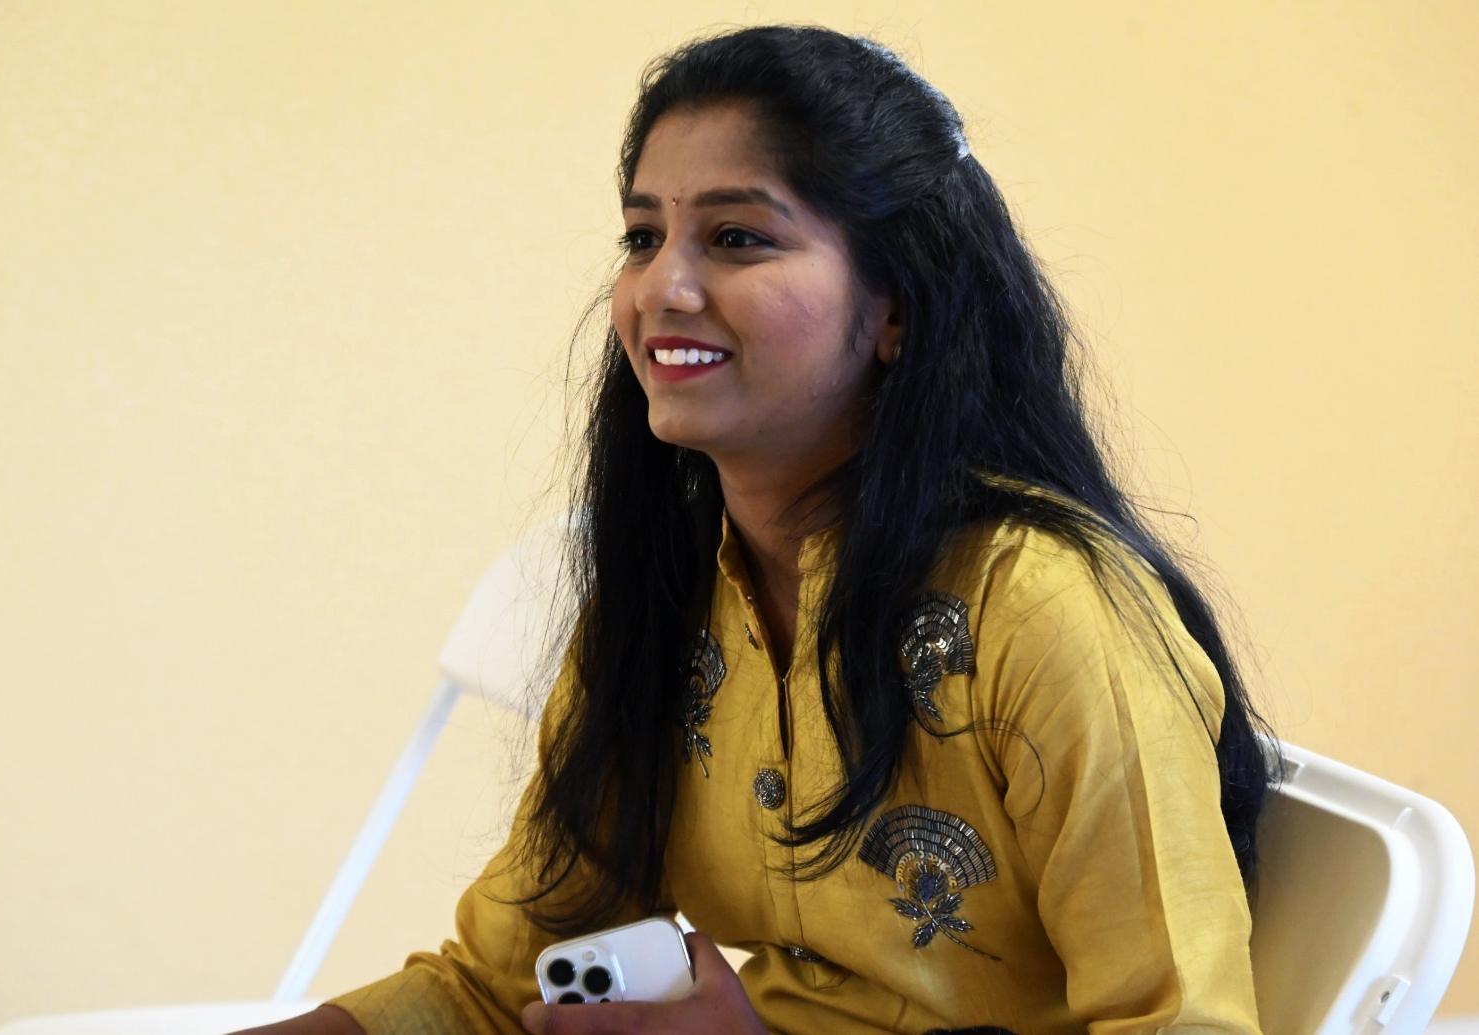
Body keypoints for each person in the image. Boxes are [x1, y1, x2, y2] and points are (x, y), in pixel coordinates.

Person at [239, 23, 1277, 1035]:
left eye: (736, 237)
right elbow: (491, 990)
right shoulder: (668, 594)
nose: (663, 288)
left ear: (895, 308)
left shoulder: (1045, 610)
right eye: (643, 237)